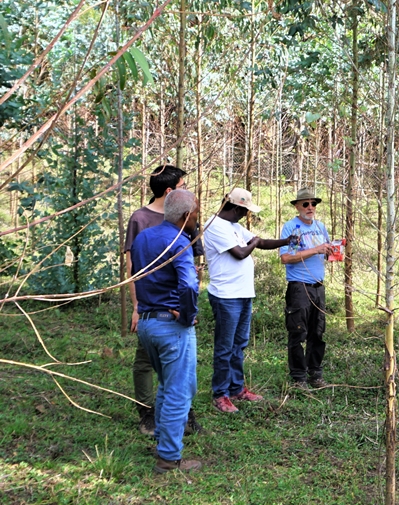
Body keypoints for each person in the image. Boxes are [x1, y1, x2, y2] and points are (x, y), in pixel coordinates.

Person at [123, 164, 202, 437]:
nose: (186, 190)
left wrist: (189, 305)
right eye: (182, 186)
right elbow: (133, 269)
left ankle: (182, 416)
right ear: (169, 192)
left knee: (178, 373)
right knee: (146, 362)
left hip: (176, 311)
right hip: (153, 311)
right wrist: (137, 307)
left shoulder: (187, 218)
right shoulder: (141, 220)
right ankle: (149, 416)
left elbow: (191, 265)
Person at [204, 188, 291, 412]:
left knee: (239, 344)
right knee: (225, 347)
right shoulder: (214, 225)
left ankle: (236, 389)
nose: (246, 215)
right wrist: (253, 243)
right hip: (226, 296)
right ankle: (220, 394)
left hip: (243, 294)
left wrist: (286, 241)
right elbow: (240, 253)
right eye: (245, 211)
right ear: (235, 208)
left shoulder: (233, 226)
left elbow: (259, 243)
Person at [280, 187, 333, 389]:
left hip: (318, 286)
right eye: (305, 204)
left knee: (317, 332)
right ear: (297, 206)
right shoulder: (292, 228)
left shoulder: (320, 227)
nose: (310, 207)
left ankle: (315, 375)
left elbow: (326, 252)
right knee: (298, 332)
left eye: (313, 204)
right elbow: (287, 257)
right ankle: (299, 378)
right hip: (300, 287)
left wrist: (332, 251)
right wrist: (315, 249)